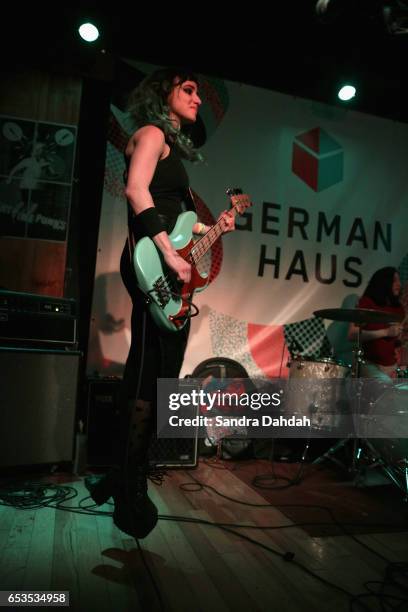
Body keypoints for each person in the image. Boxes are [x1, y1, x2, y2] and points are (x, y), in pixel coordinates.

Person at [86, 67, 235, 538]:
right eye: (188, 89)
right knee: (153, 370)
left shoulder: (175, 150)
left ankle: (120, 473)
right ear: (163, 93)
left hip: (165, 256)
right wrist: (170, 253)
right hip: (154, 261)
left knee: (154, 369)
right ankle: (129, 486)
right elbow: (135, 190)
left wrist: (207, 230)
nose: (197, 98)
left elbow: (176, 213)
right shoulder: (150, 133)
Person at [348, 267, 404, 381]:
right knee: (385, 384)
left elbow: (397, 342)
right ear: (384, 282)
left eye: (399, 280)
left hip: (392, 366)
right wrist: (386, 332)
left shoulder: (399, 309)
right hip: (369, 364)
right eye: (394, 280)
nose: (399, 284)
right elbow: (352, 334)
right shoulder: (367, 302)